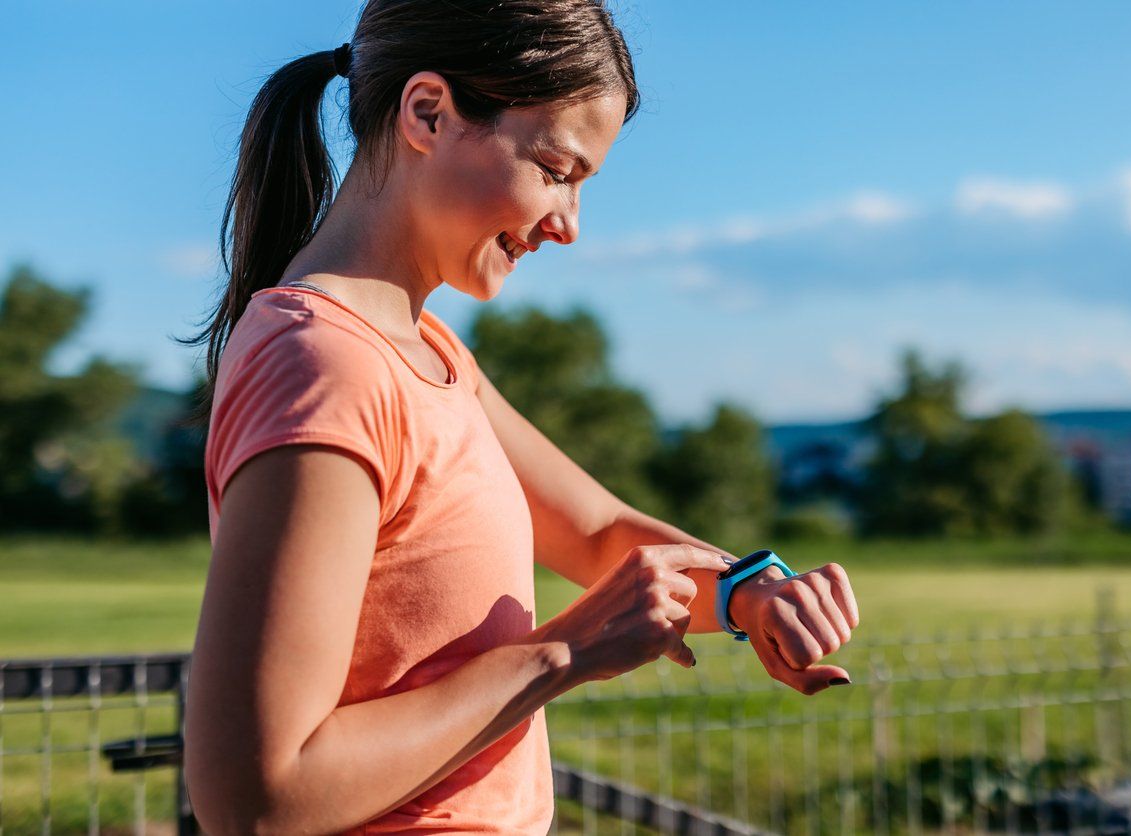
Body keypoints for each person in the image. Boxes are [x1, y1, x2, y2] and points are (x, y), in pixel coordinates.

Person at [182, 1, 860, 832]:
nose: (570, 226)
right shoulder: (324, 364)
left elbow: (600, 532)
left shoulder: (427, 353)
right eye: (555, 169)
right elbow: (256, 796)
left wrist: (750, 593)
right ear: (428, 113)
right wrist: (563, 653)